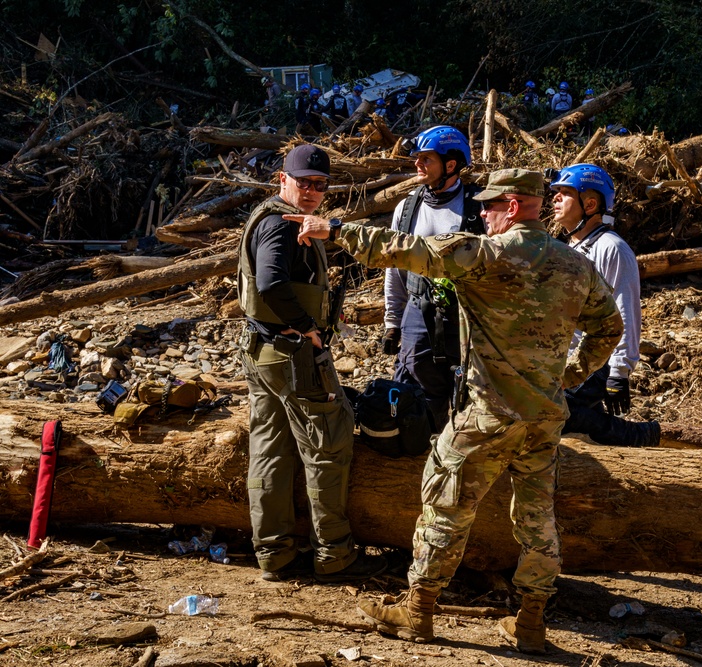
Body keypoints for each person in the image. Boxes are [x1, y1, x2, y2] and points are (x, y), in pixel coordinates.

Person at [284, 168, 623, 655]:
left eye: (488, 206)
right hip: (545, 416)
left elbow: (406, 249)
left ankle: (417, 611)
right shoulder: (575, 264)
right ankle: (530, 621)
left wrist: (336, 231)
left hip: (489, 415)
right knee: (537, 517)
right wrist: (569, 375)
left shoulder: (485, 255)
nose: (480, 214)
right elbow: (608, 328)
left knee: (445, 505)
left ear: (511, 206)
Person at [236, 144, 387, 584]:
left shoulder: (270, 215)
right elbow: (270, 284)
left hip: (263, 351)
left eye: (320, 185)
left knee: (269, 449)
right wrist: (307, 327)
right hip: (293, 355)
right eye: (304, 183)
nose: (312, 191)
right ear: (282, 179)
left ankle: (274, 554)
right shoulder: (280, 224)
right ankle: (335, 555)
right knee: (328, 444)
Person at [382, 126, 484, 432]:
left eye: (426, 159)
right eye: (417, 159)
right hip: (418, 311)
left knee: (472, 391)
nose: (417, 165)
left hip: (468, 317)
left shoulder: (479, 207)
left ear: (450, 165)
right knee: (415, 384)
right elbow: (394, 267)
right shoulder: (407, 208)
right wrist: (392, 322)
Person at [550, 163, 659, 448]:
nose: (555, 199)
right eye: (555, 193)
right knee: (569, 414)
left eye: (564, 193)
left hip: (597, 360)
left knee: (549, 409)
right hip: (568, 360)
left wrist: (619, 372)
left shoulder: (612, 248)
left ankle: (638, 436)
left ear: (590, 202)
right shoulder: (569, 248)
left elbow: (626, 312)